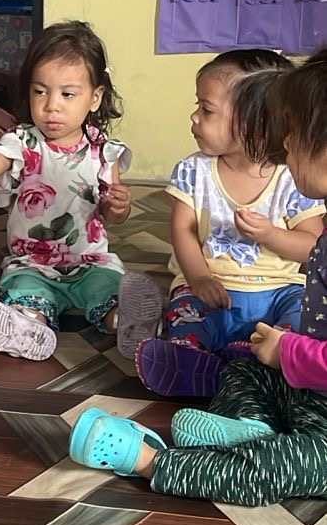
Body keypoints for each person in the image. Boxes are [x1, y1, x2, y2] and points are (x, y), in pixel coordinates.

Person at [68, 49, 327, 506]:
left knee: (283, 465)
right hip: (308, 390)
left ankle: (154, 462)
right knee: (245, 368)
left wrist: (290, 350)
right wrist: (286, 356)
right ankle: (248, 428)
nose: (284, 141)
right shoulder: (198, 171)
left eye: (296, 133)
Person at [120, 50, 323, 396]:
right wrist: (199, 278)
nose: (194, 116)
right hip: (211, 290)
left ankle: (262, 356)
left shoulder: (293, 176)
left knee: (299, 313)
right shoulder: (193, 171)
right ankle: (193, 362)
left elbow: (312, 246)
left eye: (207, 109)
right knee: (187, 313)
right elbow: (183, 230)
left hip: (279, 291)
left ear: (255, 122)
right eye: (197, 105)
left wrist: (271, 234)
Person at [0, 21, 136, 361]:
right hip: (32, 263)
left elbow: (113, 215)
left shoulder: (104, 151)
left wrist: (119, 206)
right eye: (40, 92)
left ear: (95, 98)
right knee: (24, 288)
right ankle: (29, 328)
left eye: (67, 94)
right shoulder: (23, 142)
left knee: (110, 287)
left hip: (89, 261)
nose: (51, 105)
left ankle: (126, 323)